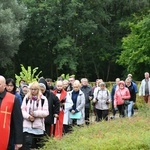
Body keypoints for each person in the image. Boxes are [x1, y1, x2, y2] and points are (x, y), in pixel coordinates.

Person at [21, 82, 49, 149]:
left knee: (37, 146)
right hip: (27, 127)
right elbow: (22, 110)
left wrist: (36, 114)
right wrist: (28, 117)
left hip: (38, 127)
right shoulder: (27, 98)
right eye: (31, 89)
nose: (33, 91)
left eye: (35, 89)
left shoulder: (43, 99)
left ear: (38, 89)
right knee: (27, 145)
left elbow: (46, 112)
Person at [0, 75, 23, 150]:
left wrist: (18, 140)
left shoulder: (13, 99)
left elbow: (18, 120)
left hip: (7, 137)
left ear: (4, 86)